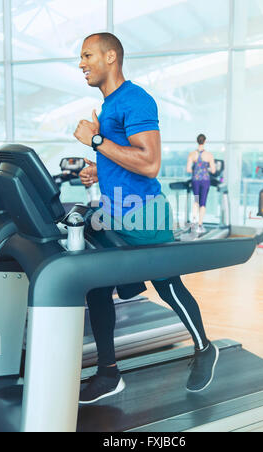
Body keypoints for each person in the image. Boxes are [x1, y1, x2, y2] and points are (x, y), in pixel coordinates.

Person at [74, 33, 219, 405]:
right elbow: (124, 157)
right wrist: (98, 168)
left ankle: (204, 348)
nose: (81, 64)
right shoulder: (107, 107)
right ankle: (108, 373)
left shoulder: (135, 100)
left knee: (167, 285)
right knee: (98, 287)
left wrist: (95, 142)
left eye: (87, 55)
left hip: (144, 215)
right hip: (114, 212)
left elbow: (150, 163)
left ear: (111, 57)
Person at [187, 134, 216, 234]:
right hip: (205, 180)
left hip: (195, 179)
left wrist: (196, 170)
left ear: (197, 141)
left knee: (196, 201)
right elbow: (213, 170)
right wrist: (205, 169)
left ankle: (194, 223)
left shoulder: (192, 154)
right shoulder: (209, 155)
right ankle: (200, 224)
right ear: (205, 141)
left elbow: (188, 169)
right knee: (203, 203)